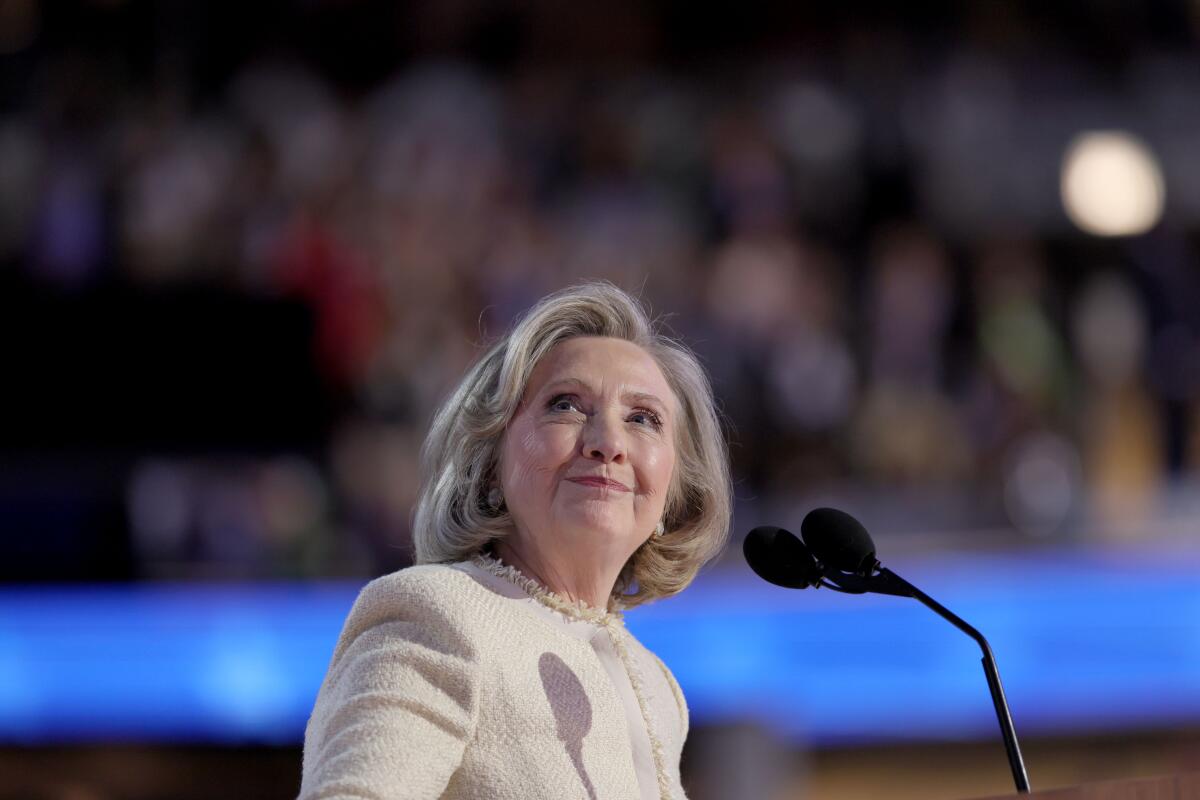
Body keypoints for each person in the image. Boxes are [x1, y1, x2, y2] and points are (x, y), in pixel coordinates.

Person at [298, 282, 733, 800]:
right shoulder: (438, 613)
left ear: (672, 491)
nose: (609, 443)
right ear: (488, 465)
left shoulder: (656, 684)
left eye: (643, 418)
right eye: (567, 406)